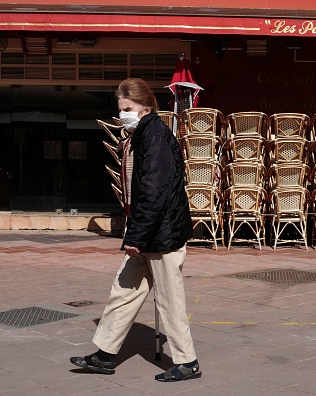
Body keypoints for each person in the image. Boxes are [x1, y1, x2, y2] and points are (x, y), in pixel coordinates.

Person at [70, 78, 200, 382]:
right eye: (120, 109)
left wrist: (136, 237)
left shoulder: (153, 135)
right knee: (123, 290)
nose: (123, 114)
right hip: (147, 231)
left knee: (170, 300)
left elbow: (154, 192)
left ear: (145, 107)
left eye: (127, 108)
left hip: (161, 234)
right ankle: (104, 355)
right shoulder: (141, 134)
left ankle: (188, 361)